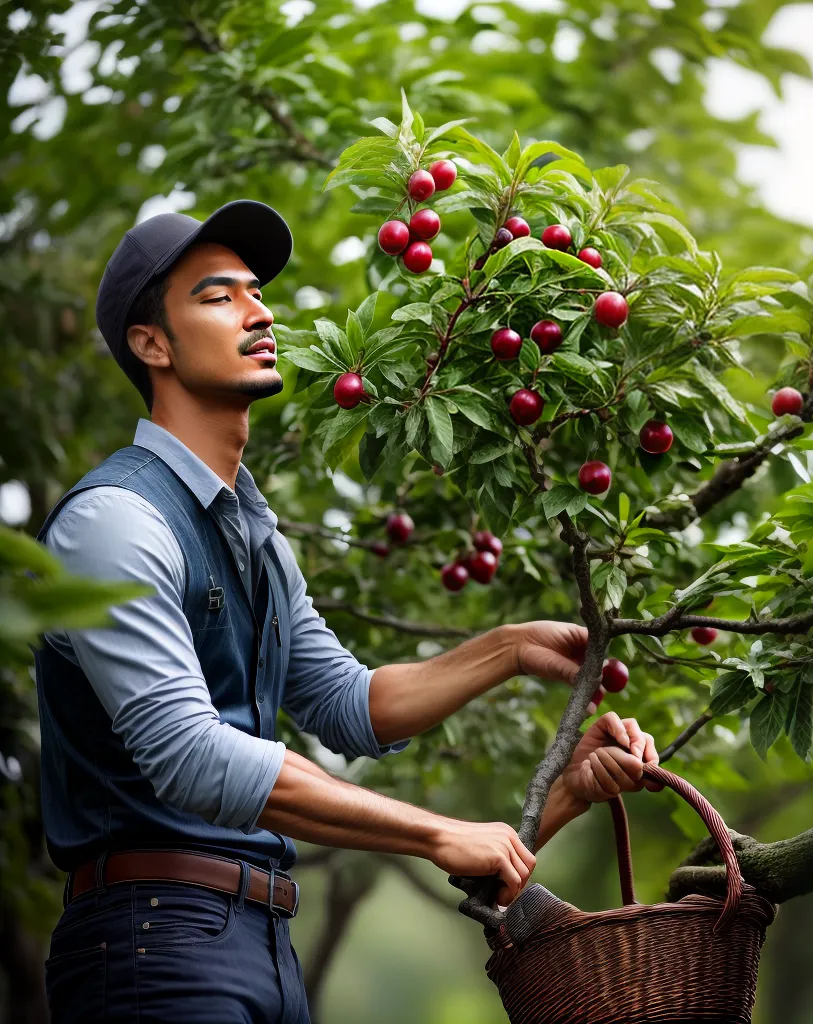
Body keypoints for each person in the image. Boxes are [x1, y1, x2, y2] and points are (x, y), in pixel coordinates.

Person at [33, 200, 662, 1023]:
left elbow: (349, 707)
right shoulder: (116, 520)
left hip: (260, 940)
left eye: (257, 293)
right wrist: (439, 831)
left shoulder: (254, 535)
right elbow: (189, 753)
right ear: (151, 344)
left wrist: (508, 648)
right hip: (153, 942)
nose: (259, 312)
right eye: (217, 297)